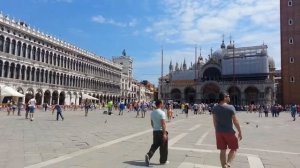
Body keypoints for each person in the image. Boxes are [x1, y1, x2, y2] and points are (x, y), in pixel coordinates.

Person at [212, 92, 242, 168]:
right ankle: (228, 164)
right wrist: (240, 132)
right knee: (234, 148)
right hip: (229, 132)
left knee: (222, 150)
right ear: (224, 97)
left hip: (219, 132)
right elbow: (235, 121)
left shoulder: (215, 108)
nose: (229, 97)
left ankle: (223, 166)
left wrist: (217, 131)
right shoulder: (231, 107)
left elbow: (214, 121)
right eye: (228, 96)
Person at [145, 99, 169, 166]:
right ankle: (163, 161)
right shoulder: (162, 113)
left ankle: (148, 155)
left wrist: (155, 128)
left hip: (155, 131)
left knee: (155, 145)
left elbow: (152, 123)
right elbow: (163, 124)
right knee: (163, 147)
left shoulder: (152, 113)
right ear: (160, 104)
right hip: (161, 131)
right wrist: (164, 134)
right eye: (163, 103)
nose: (163, 104)